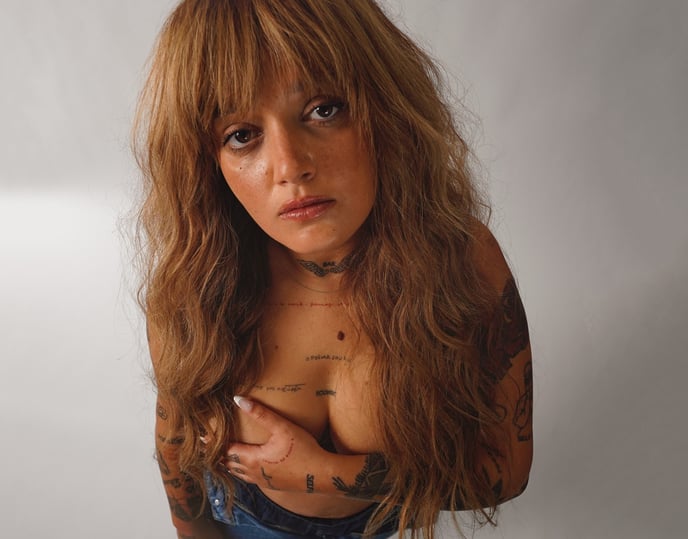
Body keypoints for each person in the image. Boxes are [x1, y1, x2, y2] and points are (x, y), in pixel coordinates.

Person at [133, 1, 533, 537]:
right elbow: (176, 457)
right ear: (208, 162)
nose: (290, 166)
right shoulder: (197, 284)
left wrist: (320, 474)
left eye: (323, 110)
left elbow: (504, 473)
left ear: (385, 109)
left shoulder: (460, 260)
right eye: (242, 135)